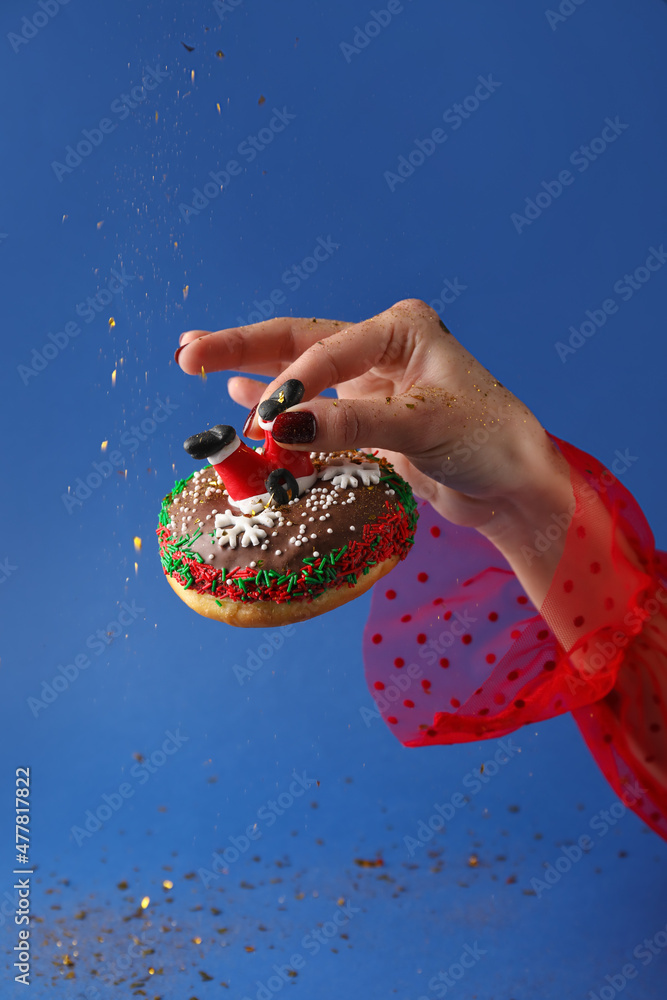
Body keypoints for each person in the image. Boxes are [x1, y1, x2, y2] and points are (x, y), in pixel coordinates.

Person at [175, 298, 667, 839]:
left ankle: (233, 455)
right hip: (269, 501)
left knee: (281, 449)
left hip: (300, 492)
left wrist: (528, 500)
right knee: (269, 458)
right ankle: (231, 456)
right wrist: (524, 501)